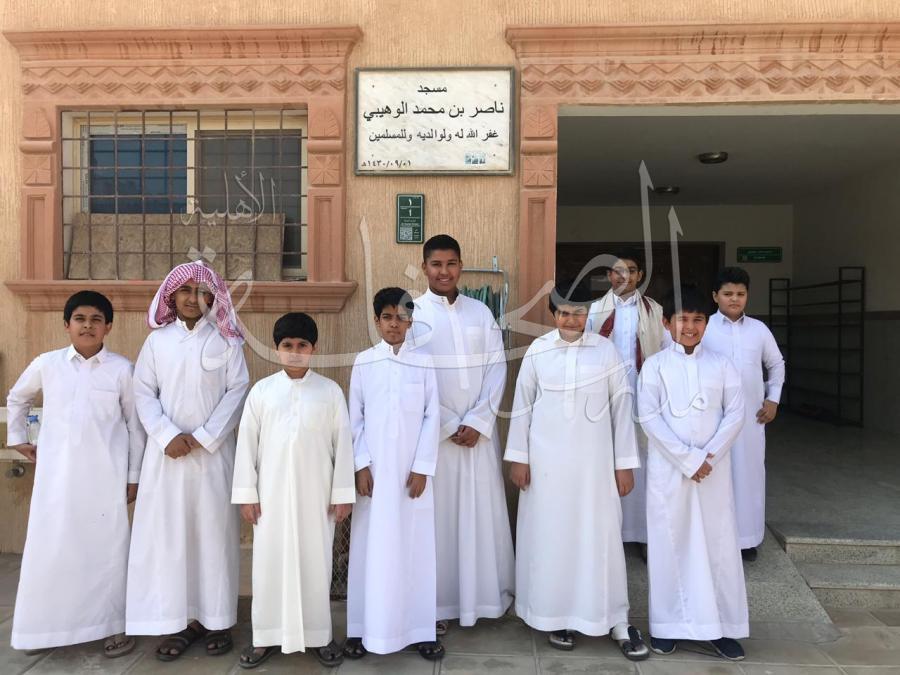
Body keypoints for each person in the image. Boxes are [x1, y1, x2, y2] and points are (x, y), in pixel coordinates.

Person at [505, 284, 649, 660]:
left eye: (579, 313)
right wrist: (519, 458)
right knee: (552, 539)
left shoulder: (606, 352)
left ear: (589, 315)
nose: (572, 320)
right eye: (565, 313)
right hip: (546, 468)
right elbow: (522, 406)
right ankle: (557, 616)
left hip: (594, 468)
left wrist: (624, 465)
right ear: (554, 315)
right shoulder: (538, 351)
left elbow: (621, 410)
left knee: (600, 538)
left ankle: (615, 618)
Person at [6, 291, 145, 657]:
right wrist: (18, 438)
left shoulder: (122, 369)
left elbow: (135, 426)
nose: (87, 326)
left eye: (96, 319)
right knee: (51, 549)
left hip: (106, 478)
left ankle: (112, 628)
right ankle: (40, 631)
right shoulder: (47, 364)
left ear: (108, 327)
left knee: (107, 552)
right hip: (57, 478)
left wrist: (133, 475)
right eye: (80, 319)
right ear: (66, 324)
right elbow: (18, 397)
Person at [126, 261, 250, 661]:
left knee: (213, 537)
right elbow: (143, 393)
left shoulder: (228, 341)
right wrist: (166, 436)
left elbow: (238, 391)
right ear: (171, 296)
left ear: (213, 298)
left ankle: (216, 621)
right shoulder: (156, 342)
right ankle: (177, 621)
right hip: (166, 459)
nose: (193, 299)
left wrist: (203, 437)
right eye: (185, 291)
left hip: (212, 458)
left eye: (201, 292)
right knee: (169, 538)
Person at [232, 312, 355, 669]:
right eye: (288, 345)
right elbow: (247, 446)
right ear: (277, 348)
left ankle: (319, 636)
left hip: (316, 498)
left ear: (313, 349)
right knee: (269, 565)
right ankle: (265, 637)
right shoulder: (262, 392)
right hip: (270, 498)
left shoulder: (330, 392)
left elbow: (343, 445)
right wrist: (247, 494)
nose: (295, 351)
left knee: (316, 564)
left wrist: (342, 494)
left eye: (302, 345)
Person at [409, 234, 514, 633]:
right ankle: (439, 604)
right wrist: (450, 423)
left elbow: (497, 367)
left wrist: (479, 421)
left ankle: (485, 599)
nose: (444, 272)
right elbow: (413, 377)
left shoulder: (480, 313)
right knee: (439, 523)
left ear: (461, 267)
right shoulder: (412, 315)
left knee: (480, 515)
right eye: (436, 264)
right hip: (436, 439)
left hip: (478, 436)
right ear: (424, 268)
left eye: (451, 264)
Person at [637, 285, 748, 661]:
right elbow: (649, 417)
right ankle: (667, 627)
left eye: (698, 319)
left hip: (713, 473)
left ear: (706, 324)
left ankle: (721, 628)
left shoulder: (722, 365)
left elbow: (735, 415)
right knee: (671, 544)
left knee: (718, 547)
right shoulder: (655, 366)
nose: (690, 327)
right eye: (682, 319)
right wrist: (687, 460)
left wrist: (708, 458)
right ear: (667, 323)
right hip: (670, 473)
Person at [344, 288, 443, 662]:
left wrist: (422, 467)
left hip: (411, 477)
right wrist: (361, 465)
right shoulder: (364, 362)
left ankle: (419, 629)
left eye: (402, 317)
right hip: (374, 475)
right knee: (370, 549)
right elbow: (355, 417)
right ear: (376, 321)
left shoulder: (424, 362)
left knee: (415, 548)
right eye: (387, 317)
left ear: (411, 321)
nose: (394, 324)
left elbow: (433, 415)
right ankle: (361, 628)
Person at [586, 248, 668, 552]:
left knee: (644, 461)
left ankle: (644, 535)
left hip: (644, 394)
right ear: (609, 275)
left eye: (631, 271)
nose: (625, 276)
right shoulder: (594, 311)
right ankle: (610, 535)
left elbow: (667, 353)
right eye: (618, 271)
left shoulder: (655, 311)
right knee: (606, 458)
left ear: (640, 275)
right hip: (604, 396)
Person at [703, 267, 785, 562]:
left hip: (751, 418)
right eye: (728, 293)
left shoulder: (758, 330)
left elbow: (776, 364)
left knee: (749, 476)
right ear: (715, 296)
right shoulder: (704, 327)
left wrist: (773, 399)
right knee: (714, 475)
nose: (734, 299)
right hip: (712, 417)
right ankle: (714, 540)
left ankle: (747, 539)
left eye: (740, 293)